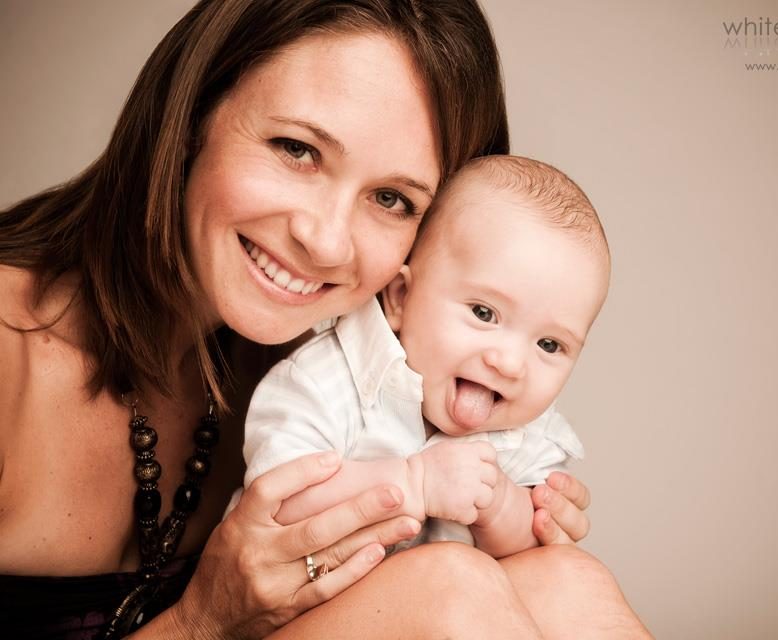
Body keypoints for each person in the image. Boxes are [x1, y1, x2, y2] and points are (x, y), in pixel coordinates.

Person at [0, 0, 652, 638]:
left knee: (562, 579)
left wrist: (519, 522)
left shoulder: (337, 364)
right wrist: (203, 623)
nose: (329, 243)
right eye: (297, 149)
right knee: (446, 585)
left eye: (392, 199)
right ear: (194, 110)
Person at [242, 155, 610, 566]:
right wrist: (413, 482)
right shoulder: (325, 382)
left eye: (548, 345)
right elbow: (277, 506)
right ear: (401, 297)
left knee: (579, 573)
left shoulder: (529, 435)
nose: (510, 363)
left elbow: (534, 551)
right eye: (483, 313)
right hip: (307, 613)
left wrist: (503, 506)